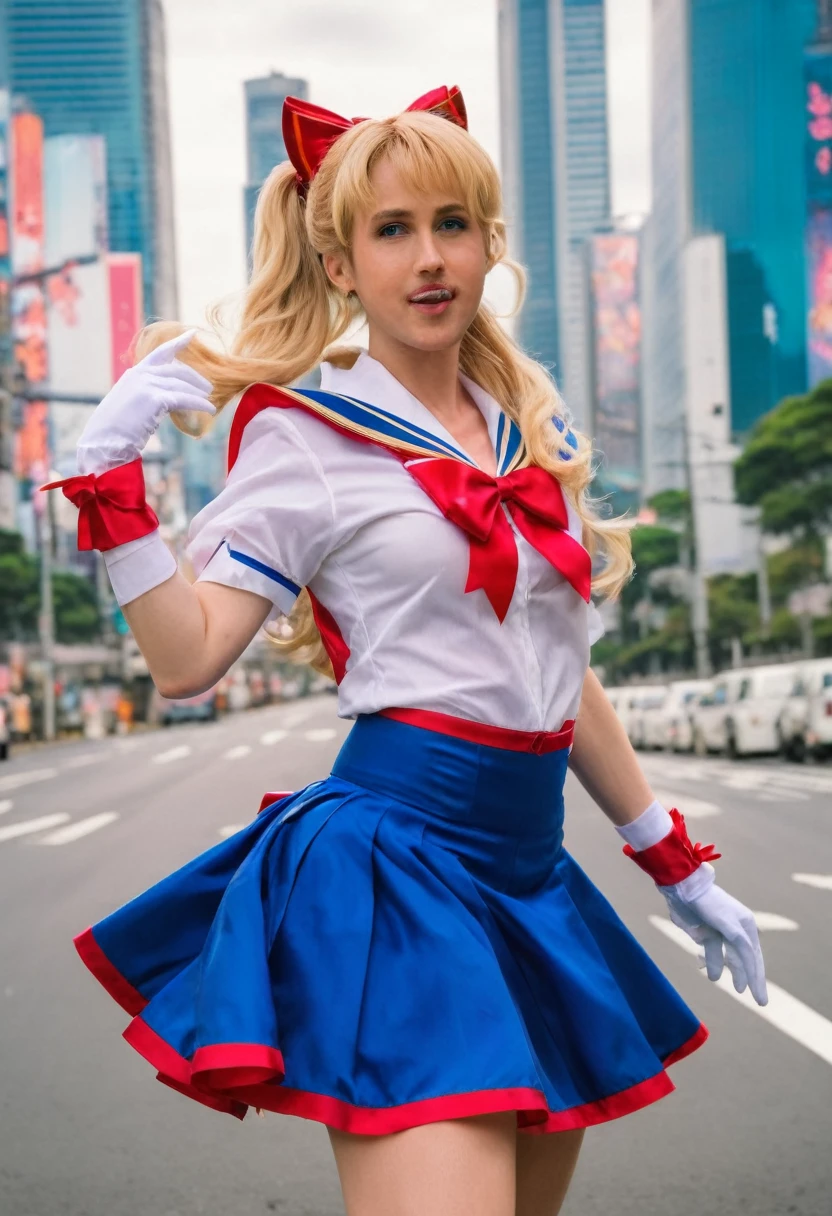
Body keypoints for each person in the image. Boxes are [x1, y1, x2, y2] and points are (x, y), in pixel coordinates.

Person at [46, 87, 767, 1216]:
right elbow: (187, 662)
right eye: (391, 231)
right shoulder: (306, 437)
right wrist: (114, 490)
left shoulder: (530, 426)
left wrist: (670, 858)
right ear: (339, 264)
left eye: (451, 224)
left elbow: (555, 669)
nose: (428, 259)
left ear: (488, 244)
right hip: (396, 870)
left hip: (530, 873)